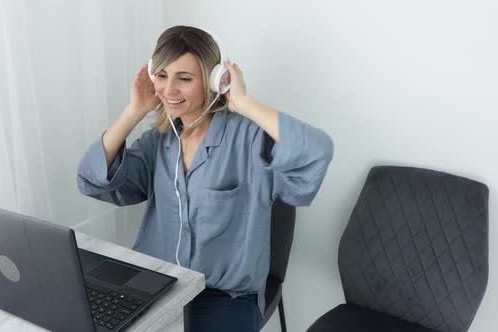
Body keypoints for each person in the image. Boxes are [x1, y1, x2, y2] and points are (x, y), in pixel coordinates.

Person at [77, 25, 334, 332]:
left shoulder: (248, 139)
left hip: (223, 297)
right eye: (161, 75)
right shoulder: (159, 141)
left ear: (214, 80)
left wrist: (242, 102)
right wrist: (134, 111)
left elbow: (316, 152)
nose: (169, 89)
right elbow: (92, 180)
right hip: (156, 284)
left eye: (184, 78)